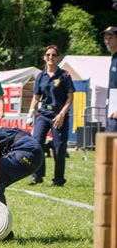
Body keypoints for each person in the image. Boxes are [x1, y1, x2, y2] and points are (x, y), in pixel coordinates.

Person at [25, 45, 74, 187]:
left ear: (58, 57)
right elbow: (36, 97)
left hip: (59, 115)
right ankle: (37, 175)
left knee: (59, 147)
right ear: (44, 57)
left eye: (53, 55)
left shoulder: (64, 75)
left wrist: (62, 114)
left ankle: (58, 179)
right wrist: (30, 114)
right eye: (48, 55)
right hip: (43, 114)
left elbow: (70, 98)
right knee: (36, 143)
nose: (50, 57)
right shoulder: (41, 76)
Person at [102, 26, 117, 132]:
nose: (107, 41)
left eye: (110, 37)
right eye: (105, 38)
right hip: (112, 105)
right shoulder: (114, 58)